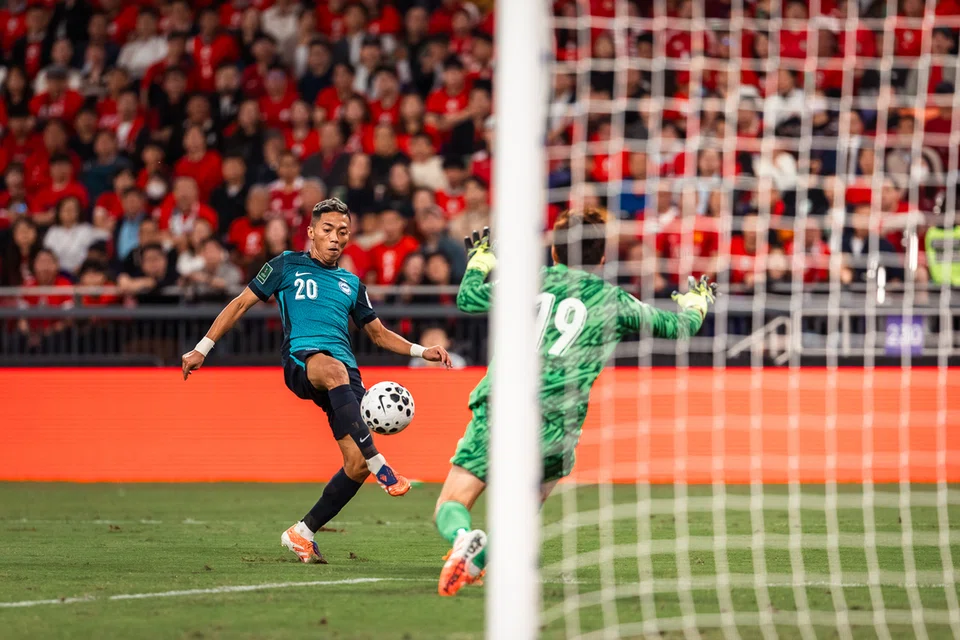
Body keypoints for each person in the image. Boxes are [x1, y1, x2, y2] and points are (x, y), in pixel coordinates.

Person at [434, 210, 718, 596]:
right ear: (602, 258)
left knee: (452, 501)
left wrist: (482, 260)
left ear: (553, 251)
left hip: (503, 402)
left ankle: (464, 537)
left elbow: (467, 299)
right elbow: (681, 328)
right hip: (558, 416)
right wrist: (697, 301)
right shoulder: (614, 301)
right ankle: (476, 559)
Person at [180, 197, 453, 564]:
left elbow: (379, 334)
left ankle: (303, 532)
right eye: (327, 231)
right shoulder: (284, 265)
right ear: (311, 232)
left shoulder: (352, 283)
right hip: (303, 360)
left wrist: (423, 351)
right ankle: (379, 462)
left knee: (353, 465)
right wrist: (202, 348)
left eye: (342, 232)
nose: (335, 238)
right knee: (342, 388)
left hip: (343, 374)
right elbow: (240, 304)